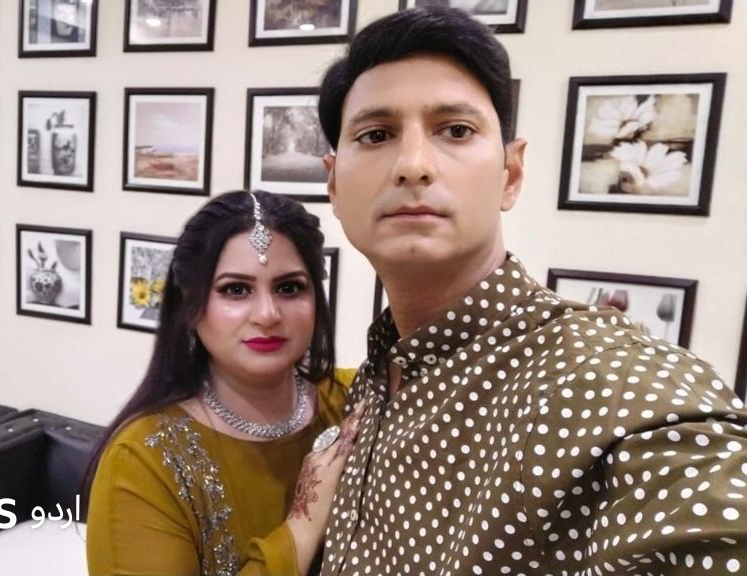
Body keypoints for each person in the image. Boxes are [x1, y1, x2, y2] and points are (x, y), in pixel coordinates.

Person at [315, 7, 747, 575]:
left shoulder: (601, 380)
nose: (413, 165)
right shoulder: (374, 379)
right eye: (376, 135)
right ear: (334, 185)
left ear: (510, 175)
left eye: (456, 130)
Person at [86, 190, 361, 576]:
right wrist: (305, 522)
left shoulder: (356, 401)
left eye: (289, 288)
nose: (267, 314)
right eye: (235, 290)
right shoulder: (144, 460)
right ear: (190, 306)